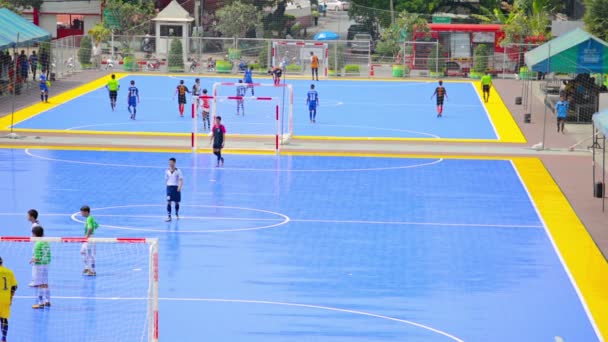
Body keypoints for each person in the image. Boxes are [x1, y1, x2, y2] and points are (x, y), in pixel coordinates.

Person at [30, 226, 51, 309]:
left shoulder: (37, 244)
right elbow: (48, 255)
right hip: (46, 264)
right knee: (45, 283)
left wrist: (32, 260)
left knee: (39, 284)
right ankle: (47, 301)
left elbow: (37, 257)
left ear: (34, 234)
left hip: (39, 266)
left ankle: (40, 303)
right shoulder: (46, 242)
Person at [0, 257, 17, 342]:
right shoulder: (9, 271)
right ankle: (4, 338)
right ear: (2, 262)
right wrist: (11, 297)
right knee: (4, 319)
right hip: (5, 299)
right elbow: (14, 286)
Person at [79, 205, 98, 276]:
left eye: (82, 212)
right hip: (89, 237)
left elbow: (90, 228)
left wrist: (87, 236)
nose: (81, 214)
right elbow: (96, 225)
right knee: (82, 251)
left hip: (89, 238)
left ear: (86, 212)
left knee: (90, 255)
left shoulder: (89, 219)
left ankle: (92, 271)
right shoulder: (90, 218)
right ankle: (87, 267)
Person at [165, 158, 184, 222]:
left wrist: (180, 187)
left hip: (176, 187)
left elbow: (181, 179)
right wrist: (167, 187)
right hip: (169, 188)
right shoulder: (167, 171)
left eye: (171, 162)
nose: (170, 163)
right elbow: (166, 179)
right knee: (168, 202)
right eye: (169, 162)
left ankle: (176, 213)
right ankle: (169, 216)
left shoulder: (178, 171)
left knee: (176, 202)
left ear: (174, 162)